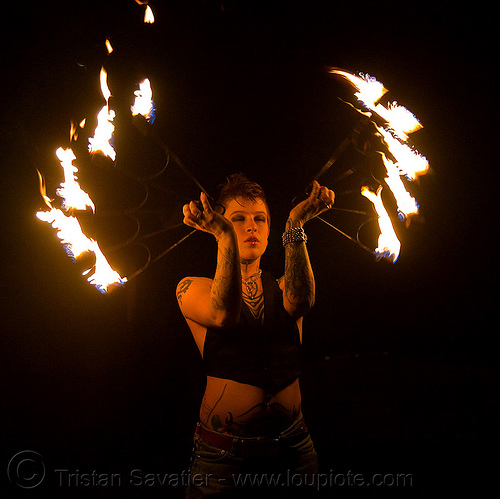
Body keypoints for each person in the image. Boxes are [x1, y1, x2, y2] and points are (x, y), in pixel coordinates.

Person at [176, 173, 335, 497]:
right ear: (216, 224)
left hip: (294, 453)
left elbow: (302, 300)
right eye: (238, 219)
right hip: (224, 460)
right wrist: (224, 237)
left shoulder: (282, 288)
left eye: (260, 219)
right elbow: (222, 313)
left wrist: (295, 222)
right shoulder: (192, 287)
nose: (252, 226)